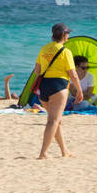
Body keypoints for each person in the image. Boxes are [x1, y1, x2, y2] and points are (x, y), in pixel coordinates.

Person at [34, 24, 82, 159]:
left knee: (56, 121)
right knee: (53, 121)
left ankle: (64, 151)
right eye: (67, 33)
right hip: (58, 86)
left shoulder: (44, 49)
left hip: (44, 86)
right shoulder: (65, 51)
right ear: (63, 35)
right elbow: (73, 74)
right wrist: (79, 90)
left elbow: (37, 70)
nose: (68, 35)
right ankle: (43, 153)